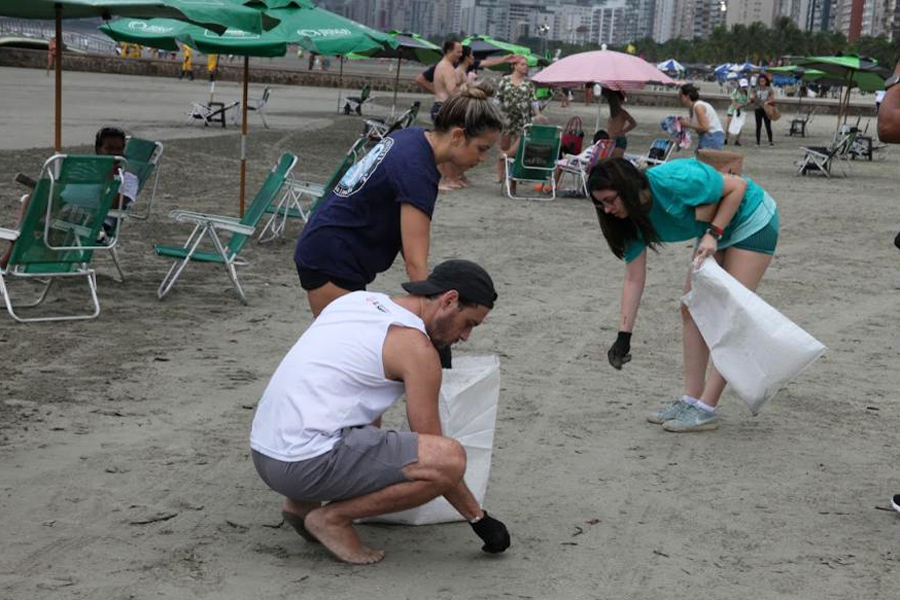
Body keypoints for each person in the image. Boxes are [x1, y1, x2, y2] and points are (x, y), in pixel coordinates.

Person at [250, 259, 511, 565]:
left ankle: (301, 504)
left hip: (265, 455)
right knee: (449, 459)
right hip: (303, 463)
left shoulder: (357, 301)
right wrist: (478, 518)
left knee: (347, 423)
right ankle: (332, 518)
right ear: (449, 300)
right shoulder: (417, 349)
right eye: (469, 323)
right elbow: (436, 454)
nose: (465, 336)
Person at [587, 157, 780, 432]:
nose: (606, 210)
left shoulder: (677, 179)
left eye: (609, 200)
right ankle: (691, 399)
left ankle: (706, 408)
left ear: (627, 187)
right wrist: (623, 336)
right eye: (600, 204)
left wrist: (714, 234)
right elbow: (633, 278)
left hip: (751, 218)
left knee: (730, 315)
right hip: (714, 230)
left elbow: (737, 187)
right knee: (691, 307)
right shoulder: (628, 220)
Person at [293, 82, 503, 319]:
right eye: (481, 148)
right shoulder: (417, 171)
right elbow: (415, 262)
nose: (484, 158)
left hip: (329, 246)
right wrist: (428, 318)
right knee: (341, 346)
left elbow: (408, 241)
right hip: (331, 257)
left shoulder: (412, 137)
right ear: (457, 136)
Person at [1, 127, 136, 268]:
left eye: (119, 149)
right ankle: (23, 237)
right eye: (109, 148)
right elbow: (64, 190)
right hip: (64, 207)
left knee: (38, 210)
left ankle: (12, 253)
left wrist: (109, 181)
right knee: (34, 197)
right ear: (98, 150)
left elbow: (116, 206)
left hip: (93, 220)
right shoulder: (85, 168)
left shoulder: (129, 178)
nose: (114, 153)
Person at [495, 55, 537, 184]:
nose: (526, 67)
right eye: (523, 64)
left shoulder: (529, 83)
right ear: (514, 66)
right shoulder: (505, 81)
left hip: (523, 119)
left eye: (527, 65)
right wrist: (494, 115)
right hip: (506, 118)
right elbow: (497, 99)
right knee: (504, 146)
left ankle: (518, 175)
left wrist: (537, 115)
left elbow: (534, 101)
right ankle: (500, 176)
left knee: (520, 148)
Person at [677, 83, 725, 151]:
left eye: (680, 96)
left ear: (687, 96)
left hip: (712, 136)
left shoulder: (698, 107)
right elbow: (698, 128)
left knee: (704, 160)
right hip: (708, 136)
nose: (678, 98)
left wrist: (687, 124)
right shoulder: (693, 107)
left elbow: (705, 127)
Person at [601, 88, 637, 159]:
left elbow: (633, 123)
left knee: (615, 160)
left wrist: (622, 132)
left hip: (618, 140)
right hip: (610, 139)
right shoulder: (613, 113)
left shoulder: (622, 113)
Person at [750, 73, 775, 146]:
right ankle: (758, 142)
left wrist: (768, 102)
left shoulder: (769, 89)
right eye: (760, 81)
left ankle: (770, 141)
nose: (762, 83)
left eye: (763, 81)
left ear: (766, 81)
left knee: (768, 125)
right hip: (758, 108)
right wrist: (752, 97)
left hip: (766, 109)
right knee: (758, 125)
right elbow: (752, 96)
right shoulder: (756, 89)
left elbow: (773, 98)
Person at [725, 78, 750, 146]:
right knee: (729, 124)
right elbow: (733, 102)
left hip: (742, 111)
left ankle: (737, 140)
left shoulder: (747, 92)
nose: (744, 88)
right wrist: (739, 106)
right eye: (743, 87)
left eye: (745, 86)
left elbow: (748, 101)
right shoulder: (735, 91)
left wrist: (743, 104)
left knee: (739, 126)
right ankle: (726, 139)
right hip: (732, 110)